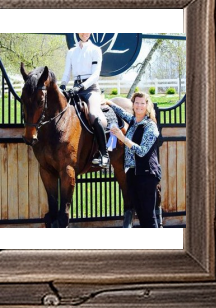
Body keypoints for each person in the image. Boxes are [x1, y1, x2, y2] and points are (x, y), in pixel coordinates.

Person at [106, 92, 161, 228]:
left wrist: (122, 138)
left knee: (148, 216)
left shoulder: (150, 126)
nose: (139, 106)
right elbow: (121, 112)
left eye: (142, 103)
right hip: (133, 174)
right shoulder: (133, 121)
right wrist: (108, 102)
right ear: (133, 105)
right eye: (136, 103)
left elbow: (142, 151)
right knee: (141, 215)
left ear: (147, 106)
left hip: (147, 175)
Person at [60, 33, 109, 169]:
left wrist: (82, 86)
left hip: (90, 89)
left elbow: (95, 75)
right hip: (75, 87)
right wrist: (63, 84)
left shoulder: (95, 50)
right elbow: (66, 71)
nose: (84, 33)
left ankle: (104, 155)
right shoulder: (71, 52)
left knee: (93, 115)